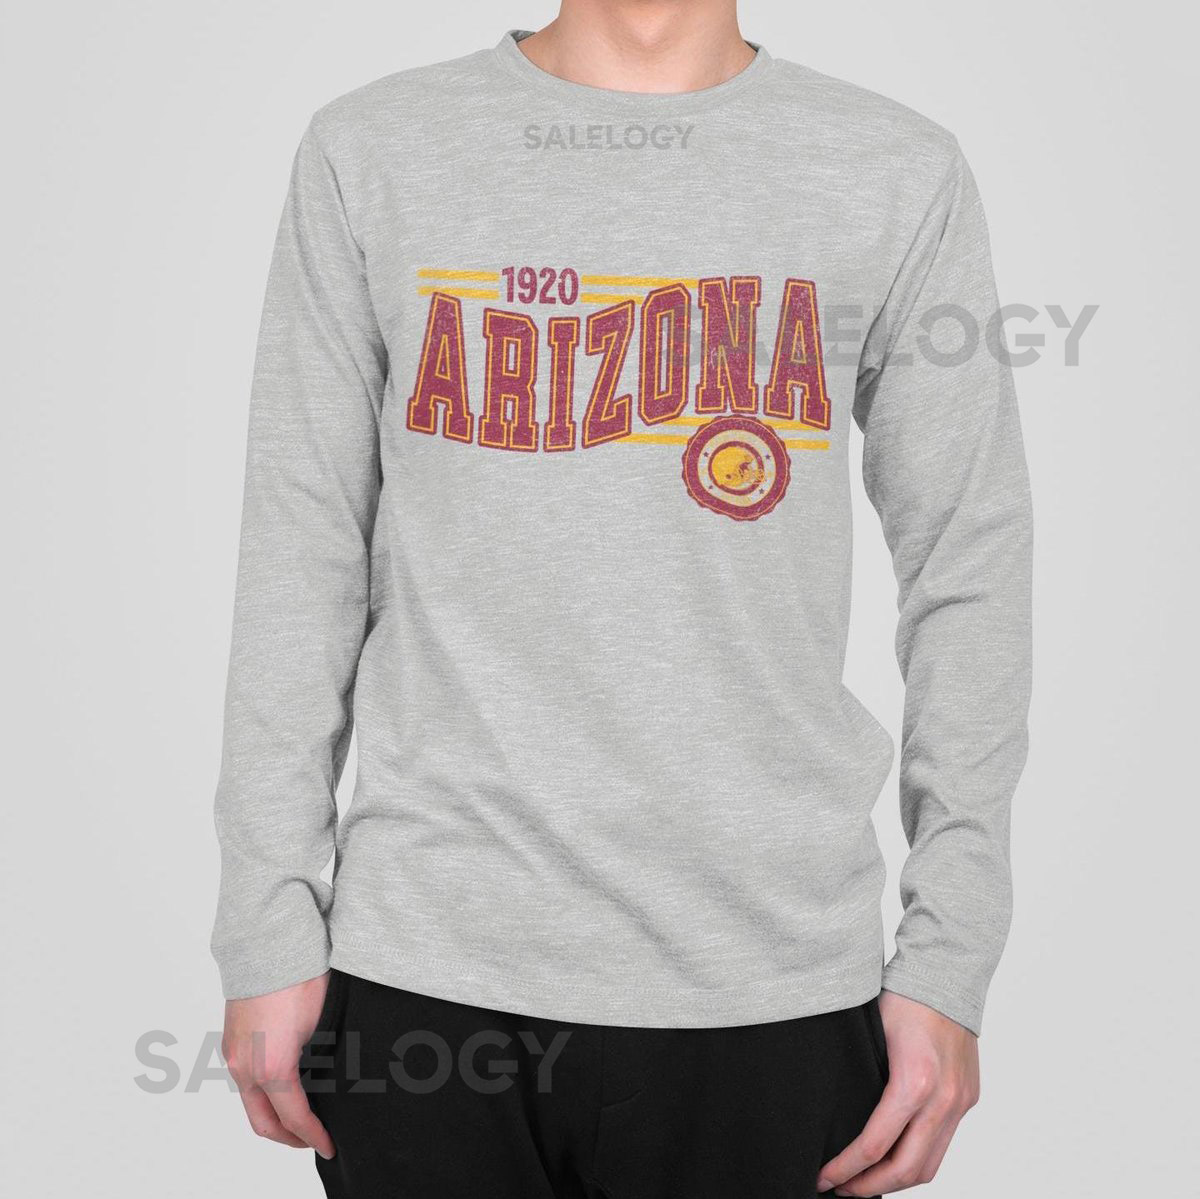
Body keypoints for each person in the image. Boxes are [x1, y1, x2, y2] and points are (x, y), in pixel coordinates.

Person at [213, 2, 1032, 1195]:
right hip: (429, 978)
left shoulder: (894, 168)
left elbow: (969, 564)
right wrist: (266, 919)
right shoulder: (372, 148)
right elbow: (303, 544)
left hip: (774, 987)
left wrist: (950, 956)